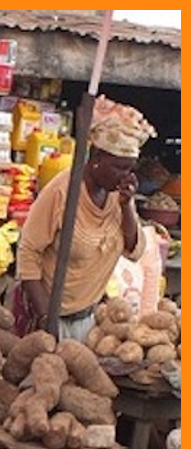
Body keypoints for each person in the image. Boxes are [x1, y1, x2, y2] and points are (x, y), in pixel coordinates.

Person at [14, 96, 155, 341]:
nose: (126, 176)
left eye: (130, 168)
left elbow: (134, 251)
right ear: (97, 159)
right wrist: (46, 317)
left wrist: (127, 205)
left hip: (88, 319)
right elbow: (27, 251)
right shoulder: (62, 192)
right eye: (120, 168)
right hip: (47, 316)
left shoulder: (118, 196)